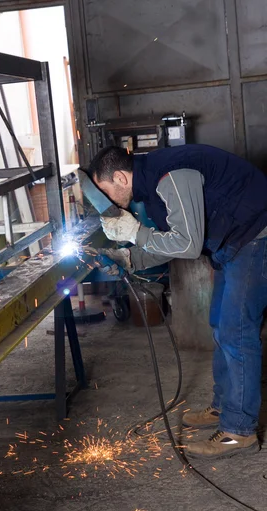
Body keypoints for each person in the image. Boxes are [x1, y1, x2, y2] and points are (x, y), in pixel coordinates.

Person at [87, 144, 267, 460]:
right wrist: (130, 257)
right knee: (220, 325)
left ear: (120, 177)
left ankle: (238, 431)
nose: (109, 205)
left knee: (236, 333)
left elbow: (187, 243)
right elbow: (176, 243)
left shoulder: (170, 175)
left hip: (256, 236)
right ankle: (224, 407)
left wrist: (137, 232)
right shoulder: (152, 188)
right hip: (235, 243)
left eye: (107, 194)